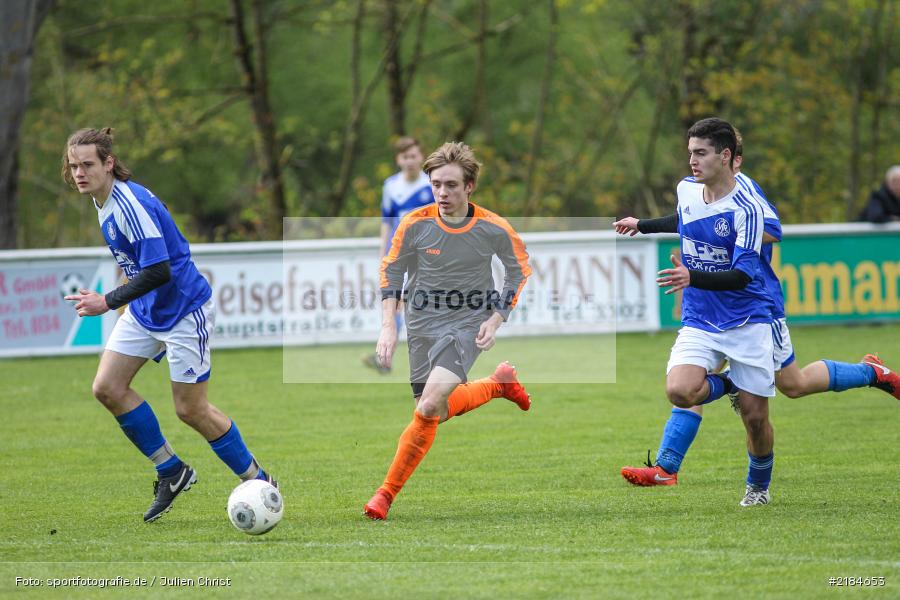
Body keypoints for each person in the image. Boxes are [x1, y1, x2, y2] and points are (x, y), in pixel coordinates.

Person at [615, 131, 900, 499]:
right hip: (704, 314)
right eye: (690, 152)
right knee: (682, 389)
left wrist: (717, 253)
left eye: (700, 153)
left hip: (753, 311)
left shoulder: (748, 202)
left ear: (729, 157)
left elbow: (766, 240)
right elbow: (689, 218)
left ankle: (869, 373)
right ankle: (668, 467)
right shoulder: (688, 187)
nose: (692, 160)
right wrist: (644, 225)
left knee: (782, 394)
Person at [61, 128, 276, 523]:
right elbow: (137, 264)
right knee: (107, 387)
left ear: (109, 163)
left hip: (182, 311)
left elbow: (159, 270)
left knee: (191, 410)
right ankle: (171, 470)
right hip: (145, 309)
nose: (79, 172)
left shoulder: (129, 204)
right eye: (73, 166)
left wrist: (108, 301)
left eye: (87, 164)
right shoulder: (102, 199)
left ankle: (259, 482)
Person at [363, 141, 532, 520]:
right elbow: (390, 273)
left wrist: (495, 318)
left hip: (468, 322)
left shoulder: (493, 227)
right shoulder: (415, 224)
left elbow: (519, 270)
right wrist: (388, 327)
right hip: (422, 324)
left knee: (427, 405)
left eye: (451, 185)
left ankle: (384, 495)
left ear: (469, 186)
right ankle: (497, 385)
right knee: (434, 412)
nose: (442, 193)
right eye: (436, 184)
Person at [363, 137, 435, 374]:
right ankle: (385, 358)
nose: (410, 161)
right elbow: (387, 222)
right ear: (398, 159)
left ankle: (434, 356)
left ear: (421, 157)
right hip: (400, 251)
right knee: (395, 303)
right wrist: (383, 254)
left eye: (414, 156)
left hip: (426, 253)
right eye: (405, 157)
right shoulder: (391, 186)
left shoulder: (432, 185)